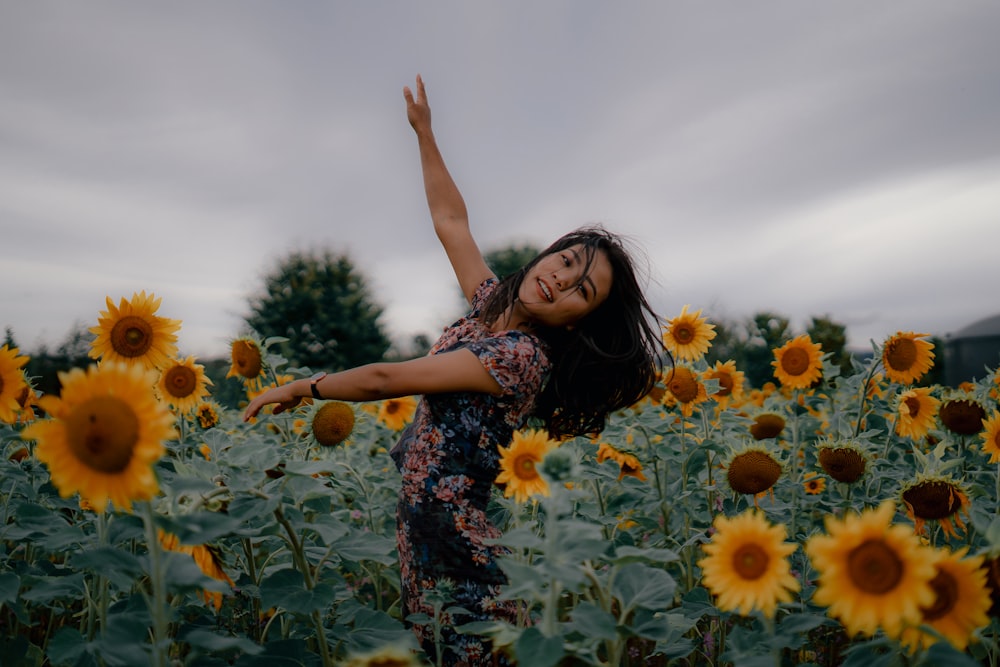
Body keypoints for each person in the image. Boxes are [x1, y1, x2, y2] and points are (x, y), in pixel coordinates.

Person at [244, 75, 665, 667]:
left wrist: (302, 387)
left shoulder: (521, 357)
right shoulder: (491, 305)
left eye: (582, 290)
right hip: (425, 532)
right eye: (566, 261)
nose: (562, 280)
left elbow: (388, 381)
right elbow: (451, 221)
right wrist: (425, 132)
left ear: (577, 321)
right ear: (548, 252)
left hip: (461, 549)